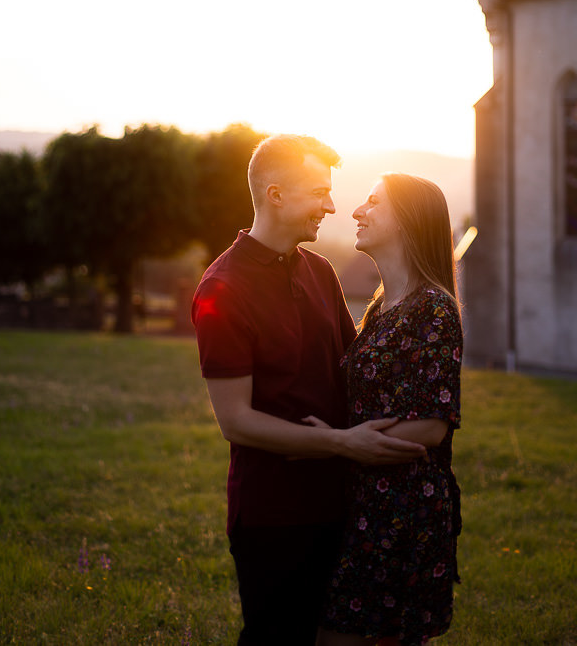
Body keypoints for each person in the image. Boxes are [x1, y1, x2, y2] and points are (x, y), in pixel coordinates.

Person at [191, 136, 425, 646]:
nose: (332, 206)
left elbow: (355, 369)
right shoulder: (222, 289)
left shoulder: (320, 271)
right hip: (274, 517)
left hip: (344, 504)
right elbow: (236, 421)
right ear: (276, 195)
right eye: (319, 192)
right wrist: (342, 443)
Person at [310, 173, 463, 646]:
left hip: (402, 513)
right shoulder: (381, 308)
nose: (356, 211)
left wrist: (338, 445)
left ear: (407, 220)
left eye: (373, 202)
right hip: (363, 504)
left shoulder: (433, 309)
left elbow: (431, 427)